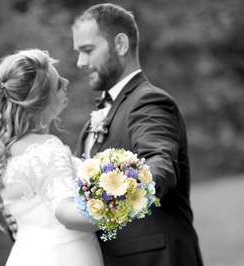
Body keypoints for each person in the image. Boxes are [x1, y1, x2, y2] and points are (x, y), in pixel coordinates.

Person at [72, 3, 203, 266]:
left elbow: (160, 166)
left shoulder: (149, 101)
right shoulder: (96, 117)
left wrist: (108, 199)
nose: (80, 62)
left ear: (120, 44)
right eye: (78, 53)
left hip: (153, 258)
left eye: (88, 50)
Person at [0, 49, 104, 266]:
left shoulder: (6, 150)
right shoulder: (46, 148)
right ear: (40, 102)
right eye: (58, 83)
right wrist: (121, 204)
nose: (67, 81)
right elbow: (66, 214)